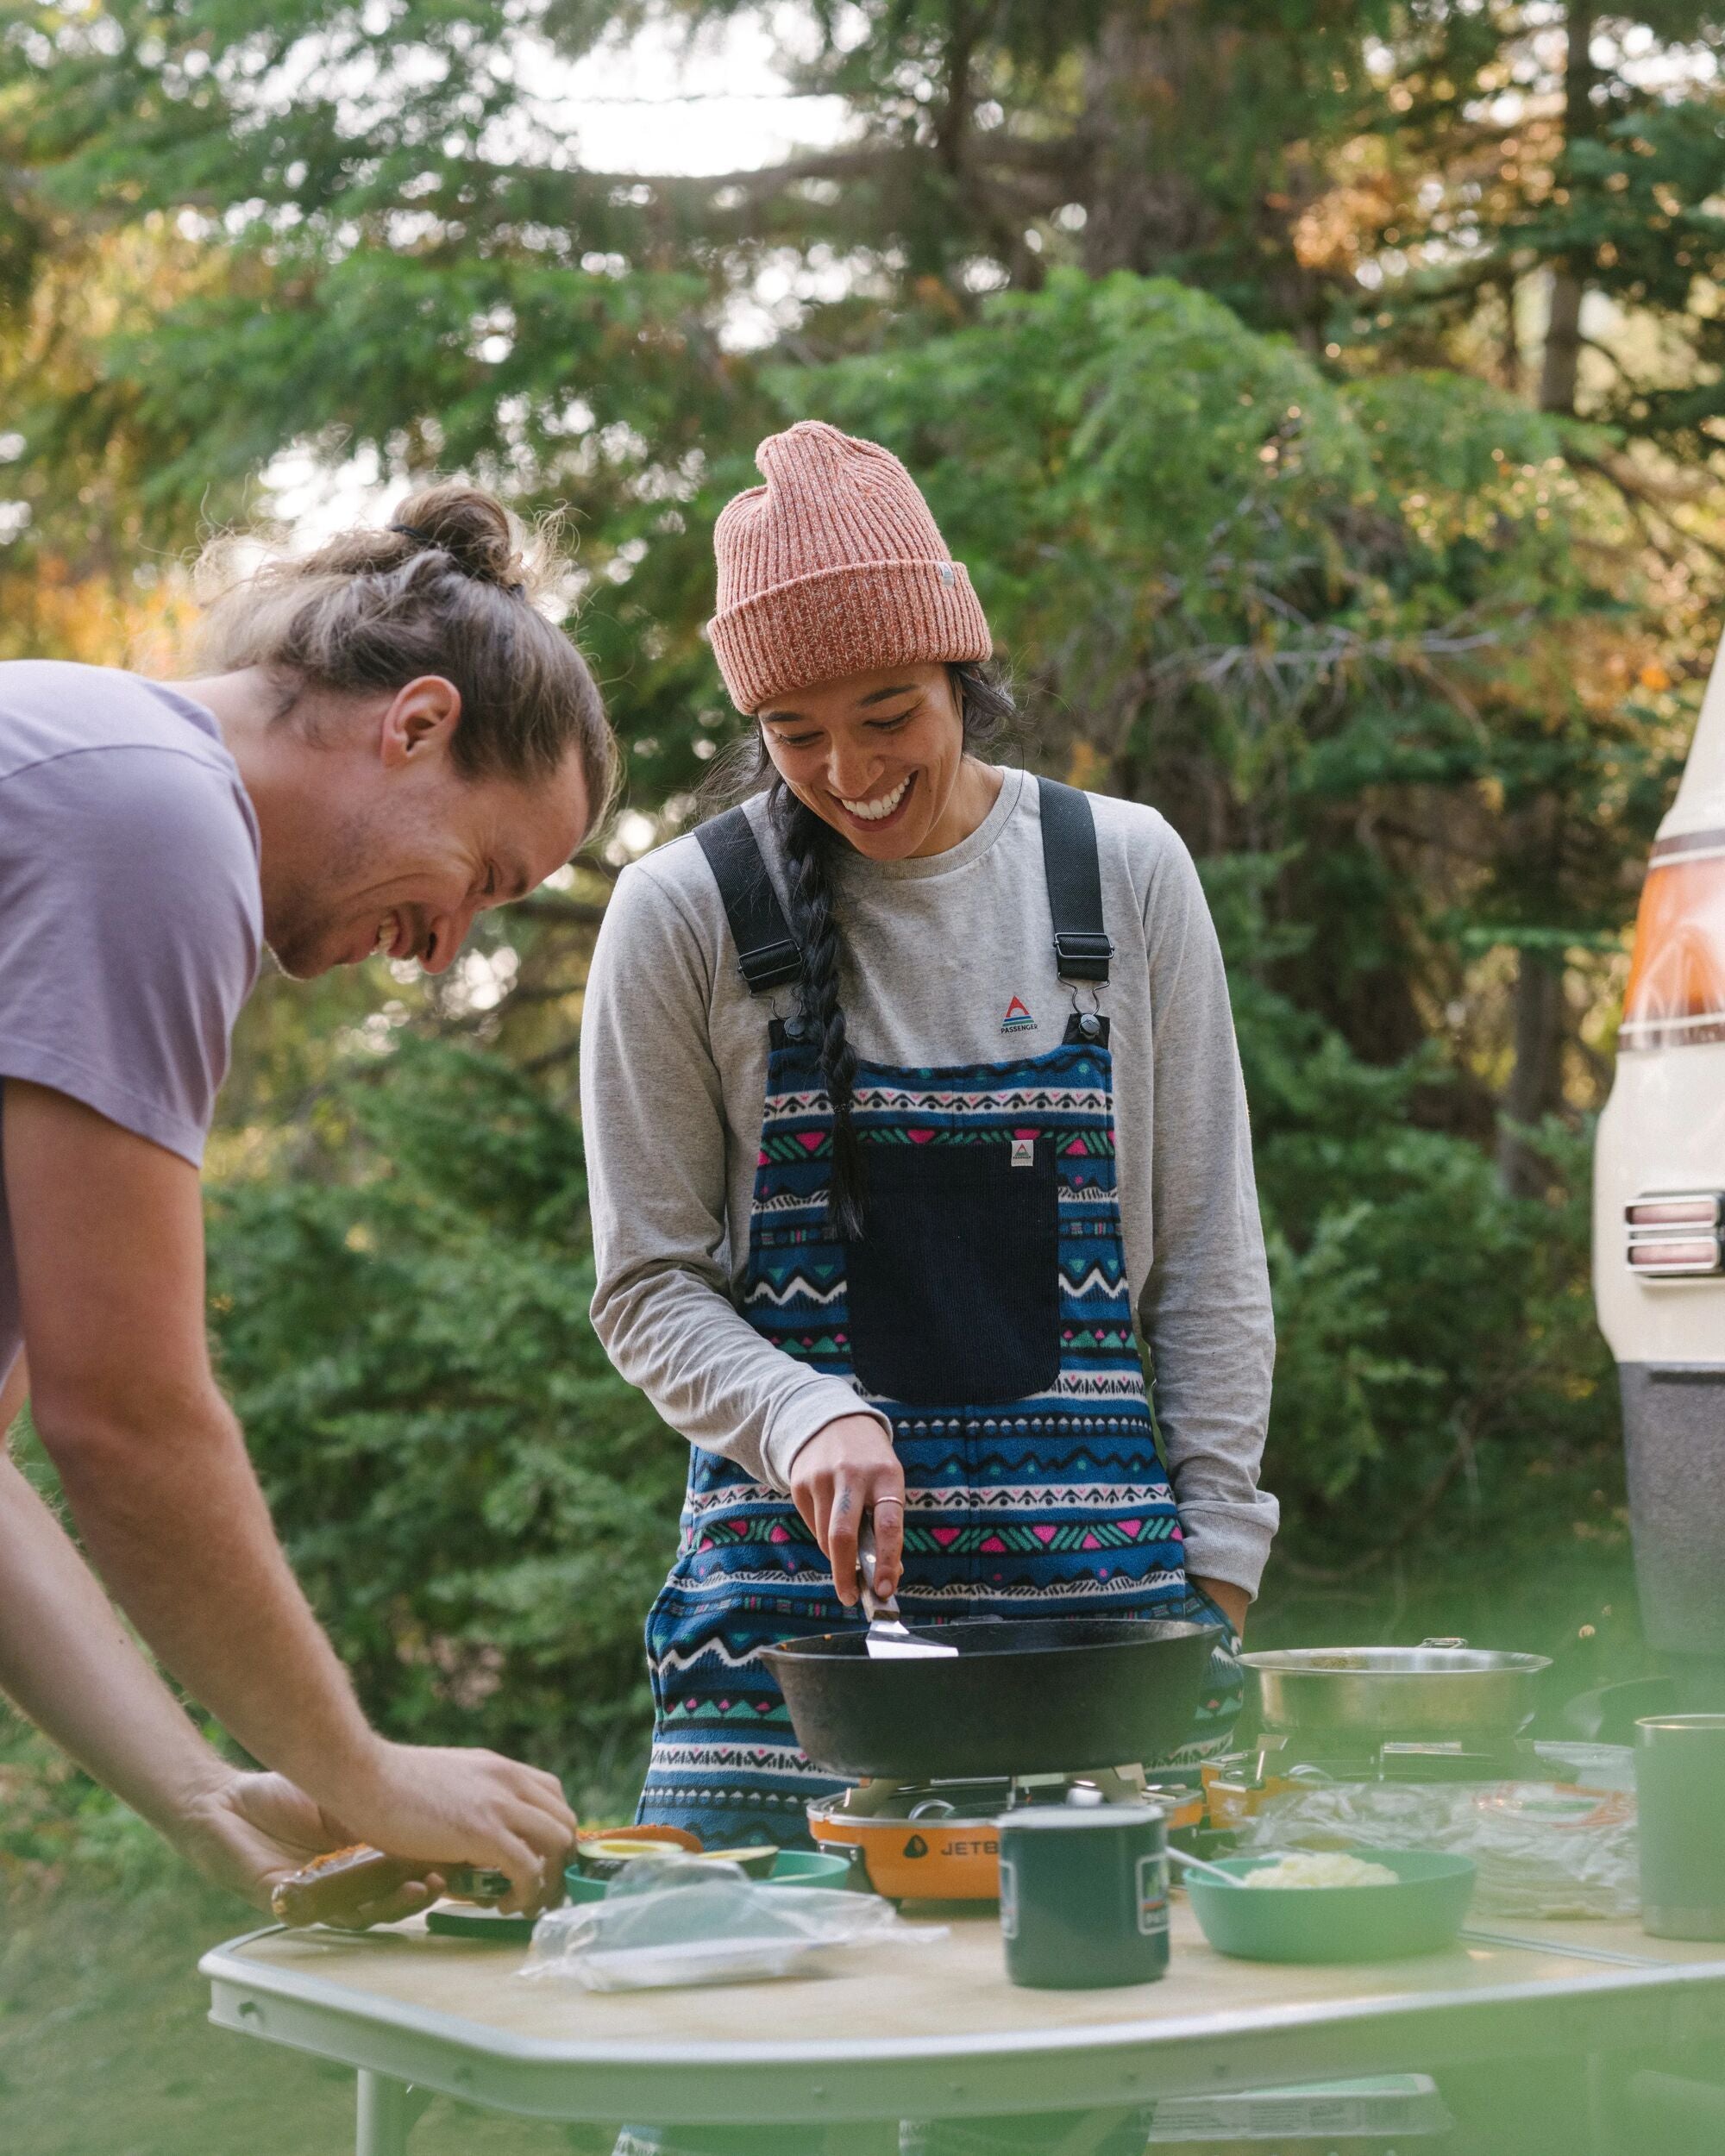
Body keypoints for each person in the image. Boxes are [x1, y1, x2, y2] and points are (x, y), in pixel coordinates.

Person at [582, 422, 1276, 1851]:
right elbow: (646, 1285)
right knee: (750, 2057)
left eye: (890, 710)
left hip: (1102, 1651)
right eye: (795, 732)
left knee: (1089, 2039)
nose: (849, 766)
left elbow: (1206, 1250)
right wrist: (801, 1410)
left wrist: (1217, 1568)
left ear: (963, 670)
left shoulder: (1121, 873)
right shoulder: (684, 914)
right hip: (786, 1671)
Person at [0, 483, 614, 1913]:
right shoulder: (141, 816)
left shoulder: (94, 771)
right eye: (484, 876)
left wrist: (210, 1794)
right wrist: (366, 1769)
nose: (443, 953)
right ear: (417, 724)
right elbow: (128, 1417)